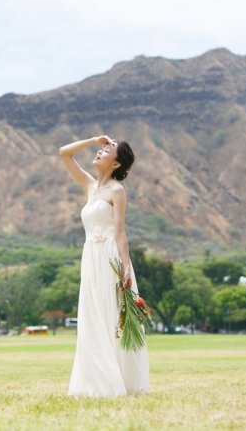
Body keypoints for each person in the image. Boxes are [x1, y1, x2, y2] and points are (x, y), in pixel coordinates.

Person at [59, 135, 149, 397]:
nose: (100, 151)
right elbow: (64, 153)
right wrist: (92, 141)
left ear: (117, 164)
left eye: (107, 150)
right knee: (92, 316)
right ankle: (95, 380)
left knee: (111, 318)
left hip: (110, 258)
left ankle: (115, 381)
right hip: (90, 258)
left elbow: (120, 232)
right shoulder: (89, 185)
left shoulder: (117, 191)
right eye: (102, 148)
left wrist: (124, 268)